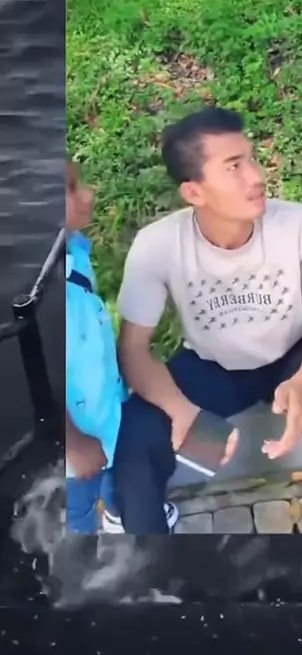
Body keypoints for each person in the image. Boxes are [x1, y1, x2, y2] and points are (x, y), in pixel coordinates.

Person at [114, 107, 302, 535]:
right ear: (194, 192)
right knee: (135, 436)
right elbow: (134, 349)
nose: (256, 176)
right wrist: (182, 412)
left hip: (292, 356)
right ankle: (150, 562)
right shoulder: (157, 245)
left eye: (252, 159)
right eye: (234, 166)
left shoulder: (300, 225)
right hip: (210, 366)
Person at [66, 161, 178, 533]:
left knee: (119, 478)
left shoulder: (73, 252)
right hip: (74, 451)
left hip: (108, 414)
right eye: (71, 188)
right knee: (75, 514)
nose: (89, 193)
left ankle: (118, 513)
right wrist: (70, 442)